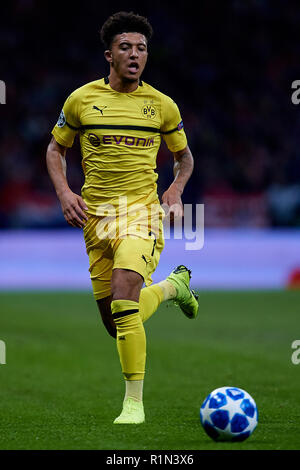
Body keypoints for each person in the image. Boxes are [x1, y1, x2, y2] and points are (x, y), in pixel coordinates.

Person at [46, 11, 198, 424]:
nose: (135, 55)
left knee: (124, 293)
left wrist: (175, 189)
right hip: (95, 219)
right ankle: (172, 288)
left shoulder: (162, 106)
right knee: (117, 321)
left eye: (142, 49)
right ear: (109, 54)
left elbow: (183, 158)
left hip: (140, 214)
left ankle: (134, 405)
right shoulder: (81, 100)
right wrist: (64, 192)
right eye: (126, 47)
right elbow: (55, 149)